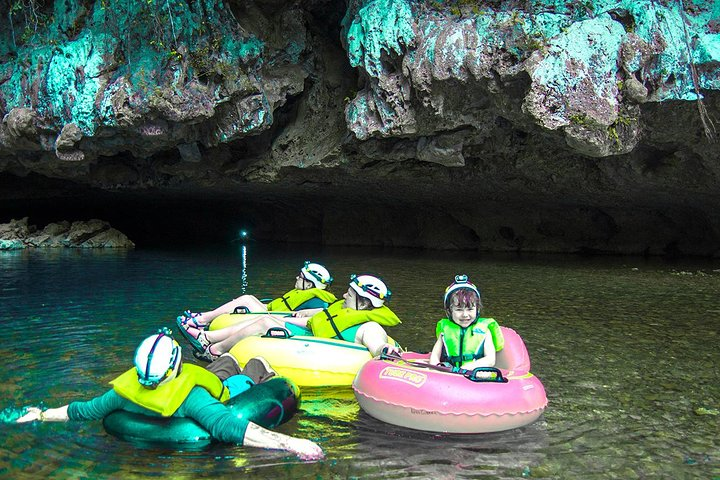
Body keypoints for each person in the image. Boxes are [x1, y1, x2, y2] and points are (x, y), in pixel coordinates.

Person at [16, 329, 324, 460]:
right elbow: (231, 426)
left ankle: (226, 360)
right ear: (175, 366)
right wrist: (292, 443)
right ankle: (261, 369)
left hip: (206, 381)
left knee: (225, 362)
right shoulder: (192, 399)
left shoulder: (122, 395)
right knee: (252, 366)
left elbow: (83, 410)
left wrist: (41, 414)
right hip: (234, 391)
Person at [181, 274, 402, 361]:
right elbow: (312, 322)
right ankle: (207, 337)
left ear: (363, 303)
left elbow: (378, 345)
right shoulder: (344, 312)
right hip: (310, 336)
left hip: (324, 351)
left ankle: (214, 350)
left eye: (350, 294)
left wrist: (384, 350)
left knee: (266, 321)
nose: (344, 295)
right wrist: (284, 320)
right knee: (267, 321)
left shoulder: (369, 326)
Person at [178, 261, 336, 329]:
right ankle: (204, 318)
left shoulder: (316, 299)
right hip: (270, 310)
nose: (296, 278)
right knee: (249, 298)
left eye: (300, 277)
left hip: (274, 317)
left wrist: (306, 313)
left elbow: (324, 311)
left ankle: (201, 319)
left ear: (309, 284)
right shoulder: (305, 293)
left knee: (247, 299)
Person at [429, 275, 504, 370]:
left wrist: (467, 368)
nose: (465, 315)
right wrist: (437, 368)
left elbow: (490, 359)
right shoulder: (445, 330)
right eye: (459, 309)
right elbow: (435, 355)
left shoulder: (485, 331)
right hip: (449, 374)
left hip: (473, 375)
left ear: (477, 309)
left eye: (470, 309)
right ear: (449, 311)